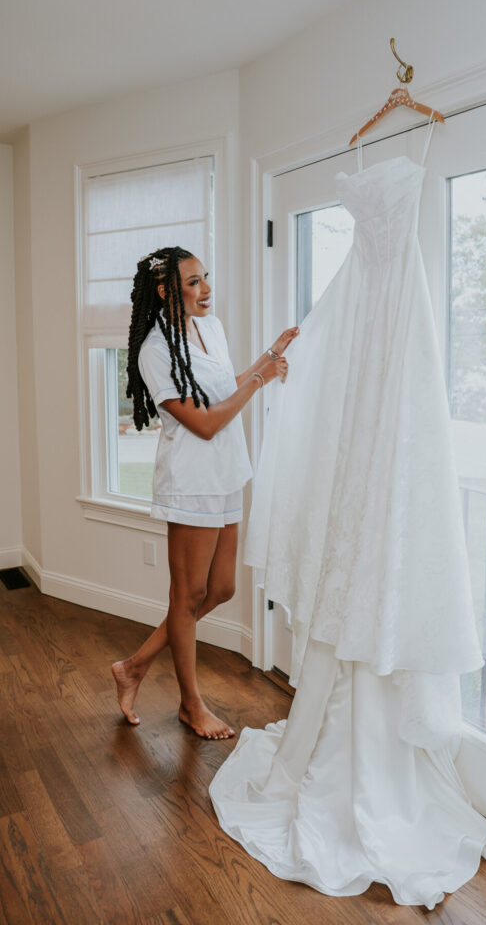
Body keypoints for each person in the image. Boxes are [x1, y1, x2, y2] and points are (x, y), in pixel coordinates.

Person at [111, 245, 298, 740]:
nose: (206, 289)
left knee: (220, 590)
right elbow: (207, 422)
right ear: (164, 290)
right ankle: (191, 705)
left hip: (226, 474)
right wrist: (260, 380)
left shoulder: (210, 328)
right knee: (188, 595)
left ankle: (134, 666)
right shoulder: (154, 350)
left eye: (205, 278)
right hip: (191, 482)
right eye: (193, 283)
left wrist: (270, 357)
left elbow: (223, 390)